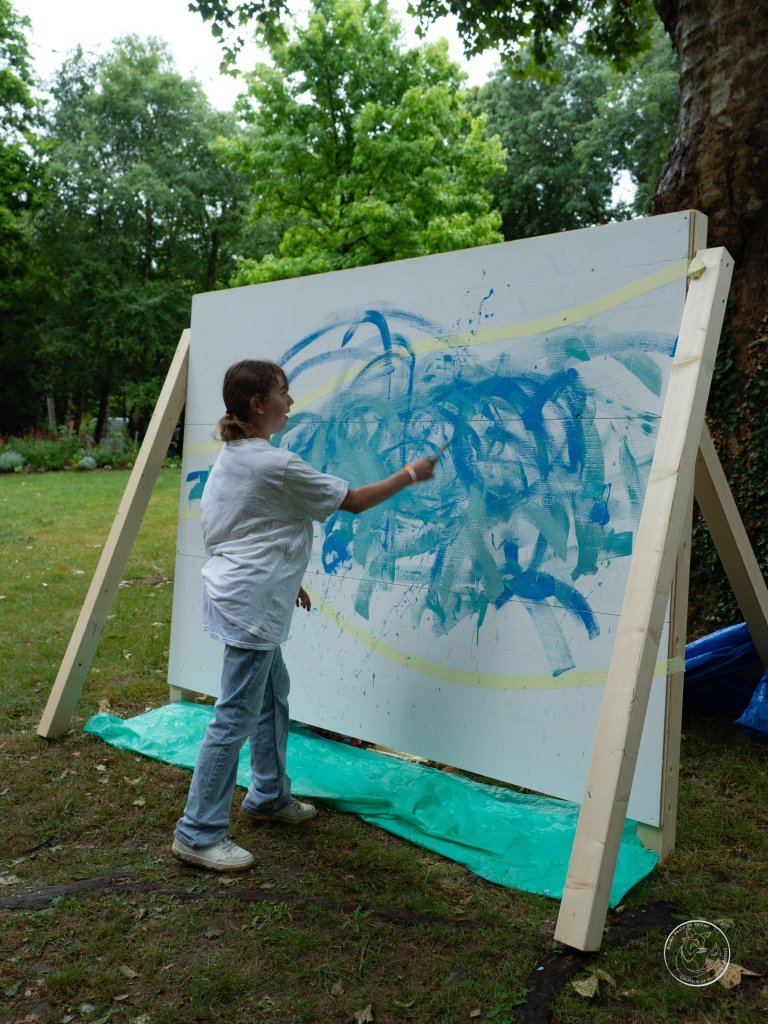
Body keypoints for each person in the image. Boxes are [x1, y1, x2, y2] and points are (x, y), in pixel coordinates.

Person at [172, 358, 437, 871]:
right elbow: (353, 502)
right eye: (282, 391)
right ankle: (197, 833)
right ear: (257, 404)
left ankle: (269, 794)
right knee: (234, 717)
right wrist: (410, 474)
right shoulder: (276, 464)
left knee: (272, 696)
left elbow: (248, 526)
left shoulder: (237, 455)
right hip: (251, 603)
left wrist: (288, 578)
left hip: (247, 592)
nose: (290, 400)